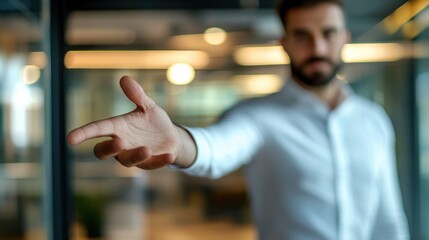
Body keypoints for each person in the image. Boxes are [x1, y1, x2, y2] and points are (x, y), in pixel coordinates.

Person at [67, 0, 410, 239]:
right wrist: (177, 140)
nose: (317, 46)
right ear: (285, 43)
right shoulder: (257, 117)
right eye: (302, 35)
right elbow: (219, 147)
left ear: (345, 38)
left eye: (328, 33)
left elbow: (388, 218)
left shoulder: (374, 120)